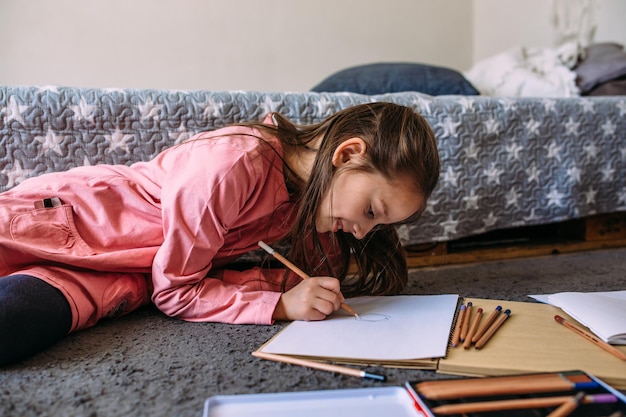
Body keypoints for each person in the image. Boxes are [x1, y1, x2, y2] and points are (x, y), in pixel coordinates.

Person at [0, 102, 439, 365]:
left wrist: (296, 289)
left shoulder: (304, 199)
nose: (363, 234)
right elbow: (177, 293)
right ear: (346, 154)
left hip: (115, 279)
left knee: (14, 325)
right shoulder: (234, 164)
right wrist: (281, 306)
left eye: (378, 226)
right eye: (370, 211)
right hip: (69, 224)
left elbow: (307, 273)